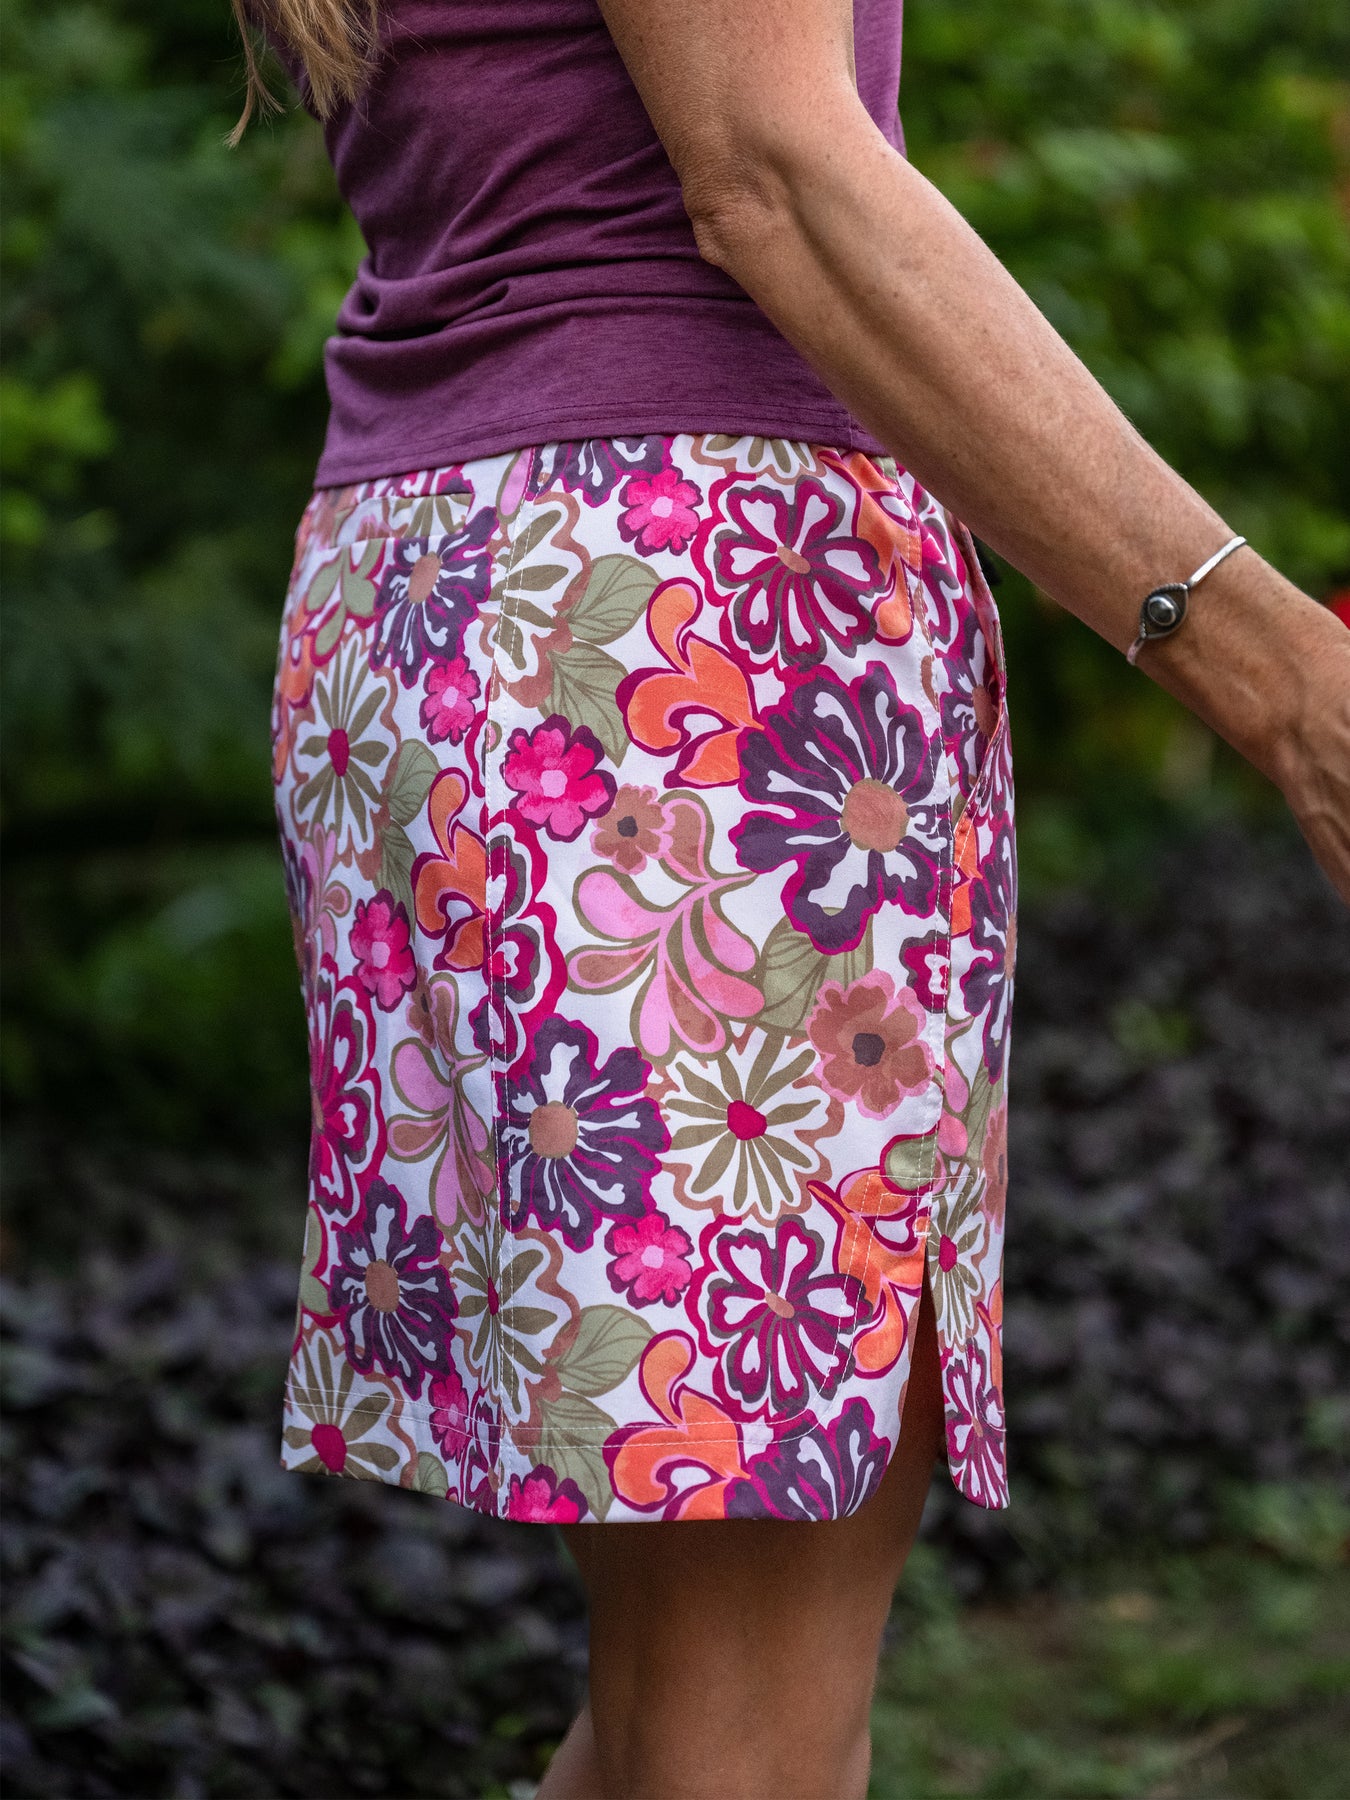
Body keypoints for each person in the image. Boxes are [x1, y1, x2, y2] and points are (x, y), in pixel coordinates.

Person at [235, 2, 1350, 1795]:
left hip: (476, 594)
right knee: (741, 1731)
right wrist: (1284, 682)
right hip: (686, 643)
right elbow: (772, 172)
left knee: (688, 1701)